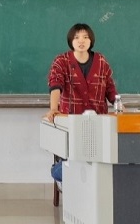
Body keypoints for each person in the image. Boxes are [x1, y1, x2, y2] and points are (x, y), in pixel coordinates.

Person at [43, 22, 119, 183]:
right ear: (71, 41)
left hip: (99, 124)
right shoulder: (61, 61)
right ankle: (69, 171)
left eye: (85, 37)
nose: (81, 41)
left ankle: (86, 177)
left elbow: (110, 89)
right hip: (71, 124)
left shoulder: (101, 61)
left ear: (91, 40)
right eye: (77, 37)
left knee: (101, 166)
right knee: (73, 167)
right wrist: (53, 108)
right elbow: (55, 84)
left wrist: (119, 105)